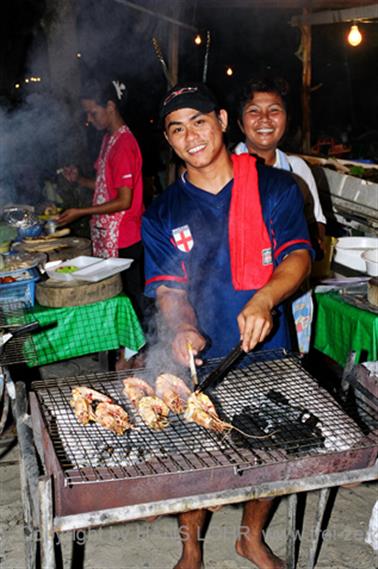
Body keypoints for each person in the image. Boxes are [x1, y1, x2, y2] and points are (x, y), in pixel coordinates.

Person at [142, 82, 313, 569]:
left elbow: (298, 256)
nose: (190, 135)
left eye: (198, 121)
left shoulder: (275, 187)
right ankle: (191, 547)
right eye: (177, 129)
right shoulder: (163, 212)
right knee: (194, 454)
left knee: (274, 447)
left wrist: (265, 298)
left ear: (220, 120)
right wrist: (180, 328)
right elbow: (170, 289)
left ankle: (249, 537)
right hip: (201, 355)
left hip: (268, 344)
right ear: (170, 142)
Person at [58, 79, 145, 318]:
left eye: (92, 112)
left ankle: (133, 354)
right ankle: (123, 351)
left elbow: (124, 200)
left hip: (125, 238)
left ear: (110, 106)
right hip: (109, 236)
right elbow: (106, 185)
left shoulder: (125, 144)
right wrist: (79, 180)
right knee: (114, 296)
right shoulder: (109, 139)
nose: (90, 118)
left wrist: (81, 212)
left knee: (128, 300)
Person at [234, 76, 326, 252]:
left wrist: (313, 239)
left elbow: (317, 220)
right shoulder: (225, 168)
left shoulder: (297, 169)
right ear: (240, 123)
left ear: (287, 120)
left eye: (274, 110)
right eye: (254, 111)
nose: (265, 118)